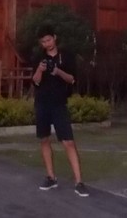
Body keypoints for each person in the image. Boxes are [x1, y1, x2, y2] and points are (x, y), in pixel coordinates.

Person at [31, 23, 88, 197]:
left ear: (54, 38)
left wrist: (57, 71)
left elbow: (72, 79)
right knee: (44, 139)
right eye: (43, 42)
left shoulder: (66, 56)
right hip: (42, 103)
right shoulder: (39, 57)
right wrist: (40, 70)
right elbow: (35, 81)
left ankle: (79, 182)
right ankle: (50, 177)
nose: (46, 44)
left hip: (59, 104)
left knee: (68, 141)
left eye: (48, 40)